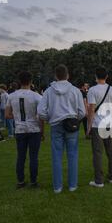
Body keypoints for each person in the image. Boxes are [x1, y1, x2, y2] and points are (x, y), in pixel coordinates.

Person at [38, 65, 85, 193]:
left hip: (56, 125)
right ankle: (72, 185)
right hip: (71, 123)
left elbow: (40, 112)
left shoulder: (48, 91)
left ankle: (57, 187)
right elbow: (82, 111)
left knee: (56, 156)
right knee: (73, 155)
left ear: (55, 76)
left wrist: (50, 118)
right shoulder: (75, 91)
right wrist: (76, 119)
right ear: (67, 75)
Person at [6, 72, 44, 189]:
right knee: (33, 157)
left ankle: (20, 181)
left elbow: (7, 115)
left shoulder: (11, 96)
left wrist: (17, 117)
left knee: (21, 156)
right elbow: (41, 116)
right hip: (34, 129)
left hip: (20, 129)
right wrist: (42, 131)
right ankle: (33, 181)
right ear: (31, 81)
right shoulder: (37, 96)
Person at [86, 67, 112, 188]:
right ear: (106, 77)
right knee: (111, 152)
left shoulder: (92, 90)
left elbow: (91, 110)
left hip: (97, 125)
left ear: (96, 77)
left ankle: (99, 180)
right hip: (110, 124)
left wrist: (88, 126)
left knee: (98, 153)